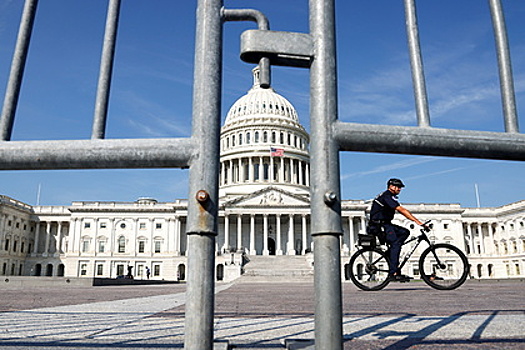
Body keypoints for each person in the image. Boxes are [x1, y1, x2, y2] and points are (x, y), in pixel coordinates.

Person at [368, 178, 429, 282]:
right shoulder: (387, 196)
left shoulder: (389, 196)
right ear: (391, 186)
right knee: (396, 243)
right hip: (379, 226)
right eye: (398, 187)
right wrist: (417, 221)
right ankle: (393, 273)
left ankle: (392, 254)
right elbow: (401, 210)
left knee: (405, 232)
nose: (400, 189)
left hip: (385, 224)